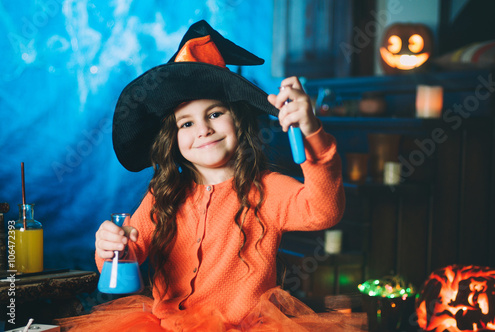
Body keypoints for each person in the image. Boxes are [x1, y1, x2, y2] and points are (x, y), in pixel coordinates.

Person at [58, 20, 348, 331]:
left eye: (214, 113)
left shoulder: (267, 190)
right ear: (172, 140)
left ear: (237, 120)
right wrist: (111, 247)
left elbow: (324, 211)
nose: (204, 129)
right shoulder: (163, 197)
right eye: (186, 124)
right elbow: (124, 261)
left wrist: (313, 134)